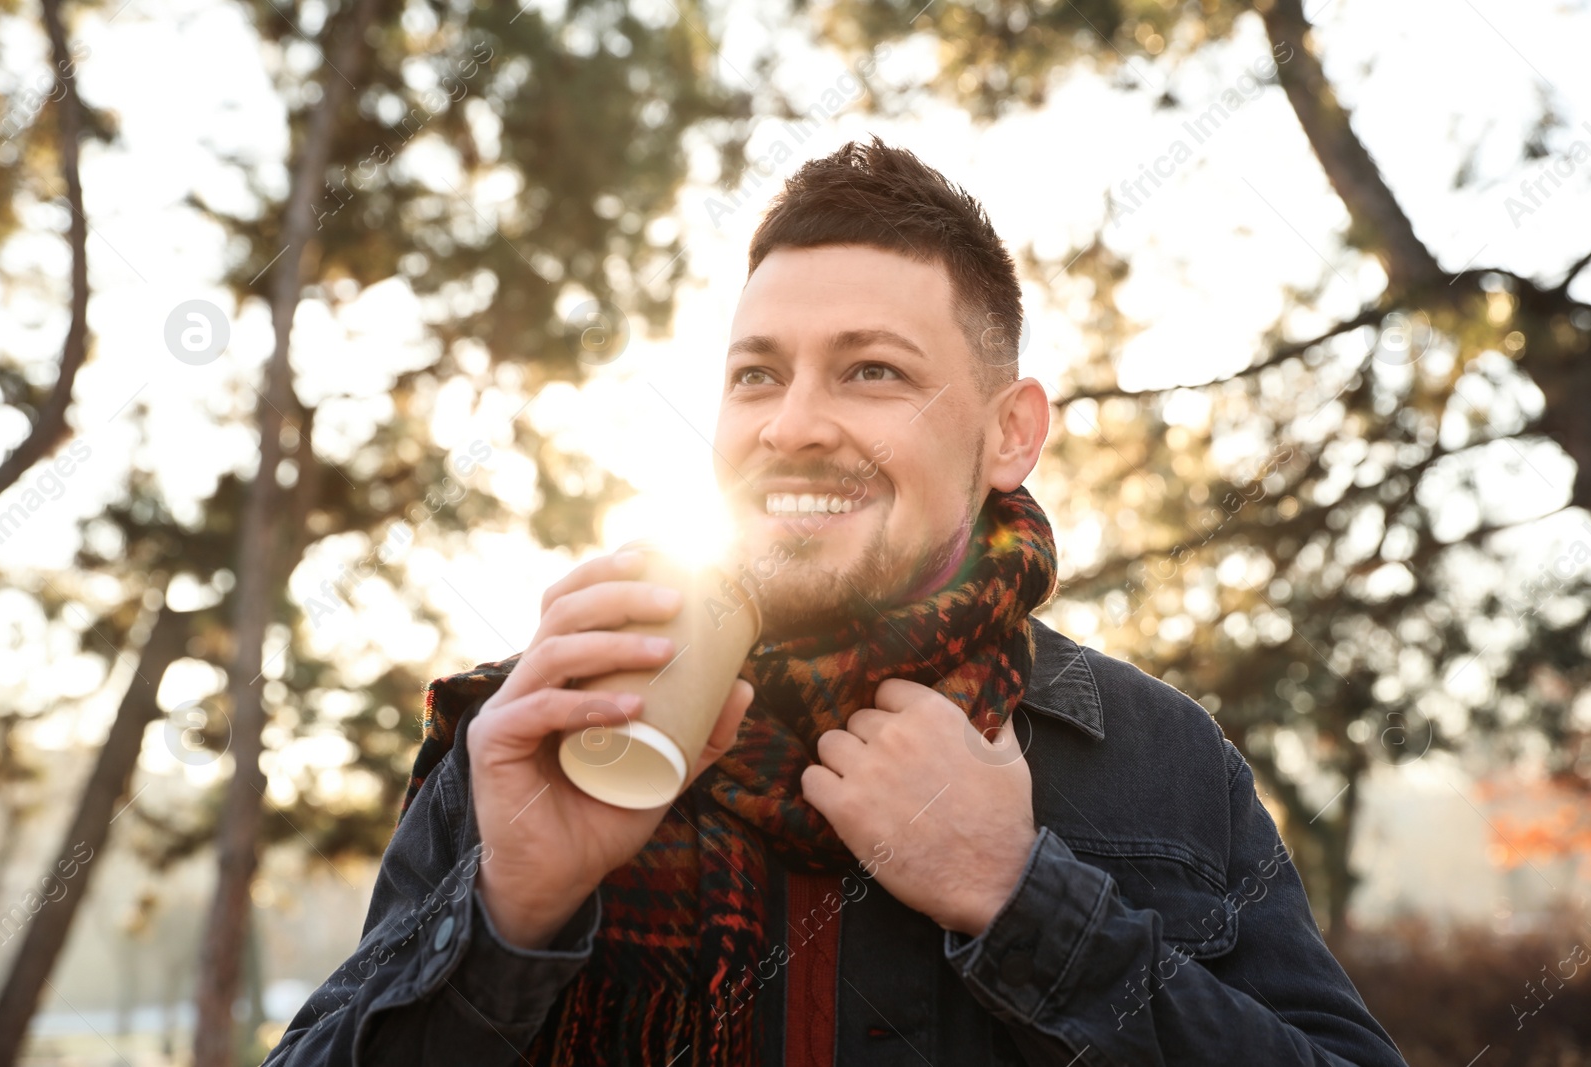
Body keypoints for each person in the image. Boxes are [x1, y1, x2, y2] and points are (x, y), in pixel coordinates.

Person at [265, 136, 1407, 1066]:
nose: (791, 424)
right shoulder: (546, 726)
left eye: (872, 371)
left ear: (1010, 432)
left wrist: (1024, 902)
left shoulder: (1161, 758)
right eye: (756, 373)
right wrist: (507, 912)